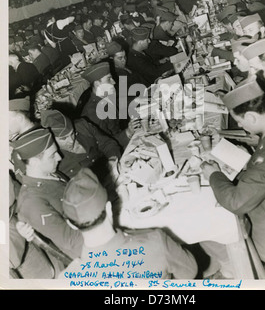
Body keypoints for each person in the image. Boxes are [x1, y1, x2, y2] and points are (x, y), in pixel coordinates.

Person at [201, 79, 265, 279]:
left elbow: (236, 201)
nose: (240, 125)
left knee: (214, 223)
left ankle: (234, 269)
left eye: (240, 121)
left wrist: (214, 174)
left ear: (251, 116)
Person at [58, 167, 198, 280]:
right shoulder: (156, 241)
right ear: (109, 208)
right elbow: (189, 272)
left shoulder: (68, 278)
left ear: (71, 224)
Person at [11, 128, 84, 259]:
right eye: (52, 155)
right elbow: (73, 242)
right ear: (34, 162)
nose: (59, 157)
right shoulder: (32, 202)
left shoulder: (49, 173)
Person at [40, 109, 121, 183]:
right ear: (52, 140)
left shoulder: (82, 126)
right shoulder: (56, 161)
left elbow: (107, 143)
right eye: (63, 138)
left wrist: (113, 159)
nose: (71, 140)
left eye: (72, 134)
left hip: (112, 168)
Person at [80, 62, 137, 150]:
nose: (113, 82)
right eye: (109, 79)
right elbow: (106, 144)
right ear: (97, 83)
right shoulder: (94, 114)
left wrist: (137, 100)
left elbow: (120, 102)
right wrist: (128, 132)